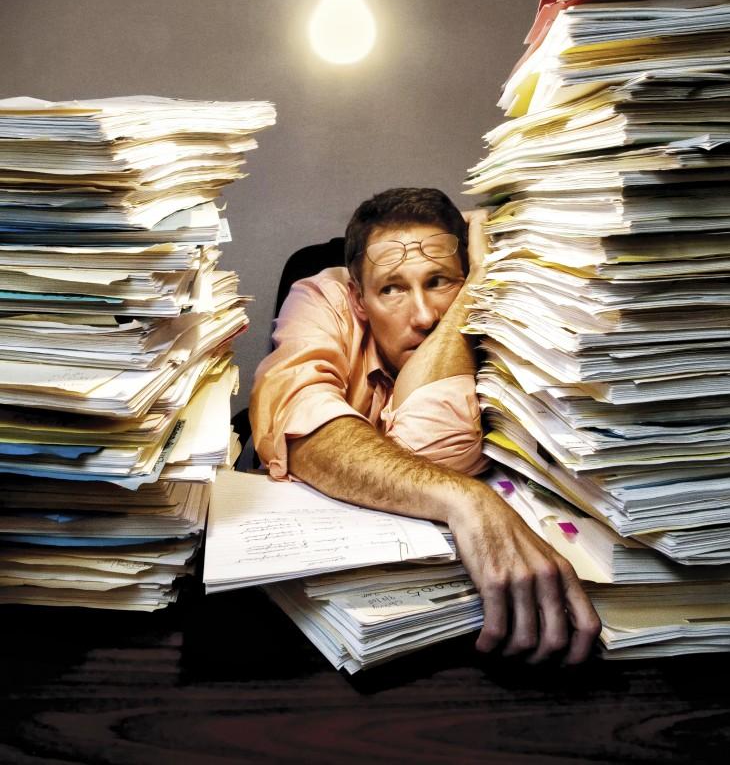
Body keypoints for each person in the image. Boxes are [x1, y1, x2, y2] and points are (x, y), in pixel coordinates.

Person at [250, 187, 601, 664]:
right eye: (392, 288)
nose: (424, 316)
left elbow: (430, 451)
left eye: (440, 281)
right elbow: (301, 419)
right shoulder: (323, 295)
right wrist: (466, 498)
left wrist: (474, 291)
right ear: (358, 298)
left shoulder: (501, 313)